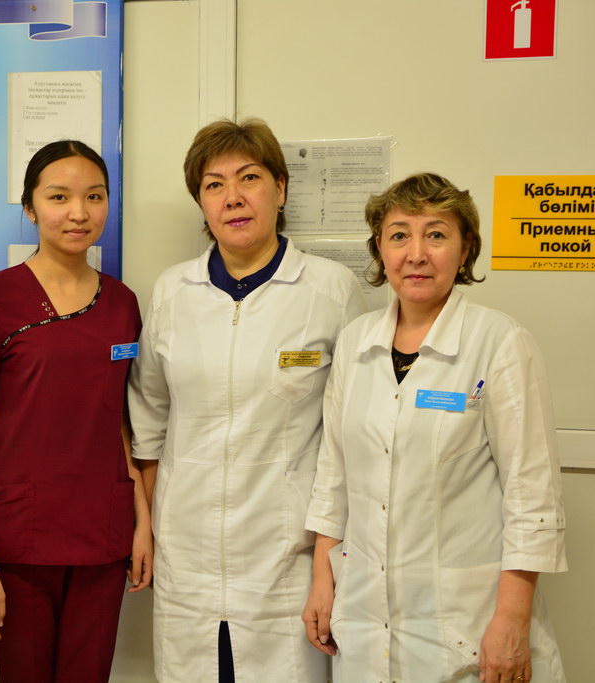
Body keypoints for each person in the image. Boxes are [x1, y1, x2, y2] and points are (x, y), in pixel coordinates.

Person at [128, 118, 368, 682]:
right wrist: (150, 524)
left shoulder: (331, 290)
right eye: (214, 185)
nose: (232, 197)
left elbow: (353, 436)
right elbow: (149, 420)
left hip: (289, 554)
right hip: (187, 551)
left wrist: (331, 558)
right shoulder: (172, 292)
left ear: (280, 188)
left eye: (249, 178)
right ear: (201, 203)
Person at [303, 172, 567, 683]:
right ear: (380, 250)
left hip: (467, 621)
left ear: (465, 250)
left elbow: (531, 494)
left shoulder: (500, 342)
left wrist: (512, 619)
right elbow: (333, 476)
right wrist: (322, 580)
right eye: (399, 235)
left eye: (437, 234)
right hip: (364, 616)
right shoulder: (356, 343)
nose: (416, 254)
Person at [0, 140, 151, 682]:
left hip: (104, 533)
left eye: (95, 196)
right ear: (30, 207)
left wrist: (142, 522)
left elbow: (117, 421)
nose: (79, 212)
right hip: (20, 537)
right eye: (59, 197)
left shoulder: (123, 303)